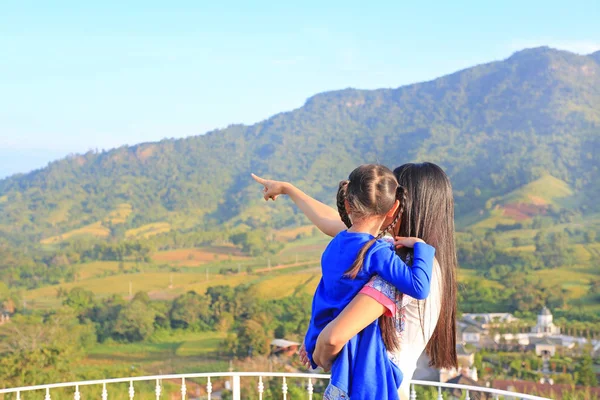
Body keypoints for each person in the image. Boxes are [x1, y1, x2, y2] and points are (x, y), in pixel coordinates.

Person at [251, 162, 458, 400]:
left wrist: (320, 354)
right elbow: (333, 222)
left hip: (377, 388)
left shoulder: (401, 265)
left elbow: (333, 337)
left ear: (402, 206)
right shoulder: (402, 255)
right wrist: (288, 189)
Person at [303, 164, 436, 399]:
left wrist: (312, 338)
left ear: (347, 203)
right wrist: (423, 248)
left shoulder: (336, 242)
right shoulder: (377, 252)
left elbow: (329, 293)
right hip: (353, 353)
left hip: (319, 333)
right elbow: (419, 286)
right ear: (394, 208)